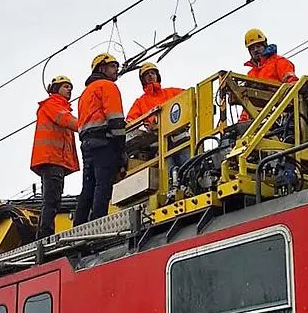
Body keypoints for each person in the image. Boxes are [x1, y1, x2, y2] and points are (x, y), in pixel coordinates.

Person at [73, 53, 126, 226]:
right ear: (102, 68)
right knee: (103, 185)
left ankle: (79, 224)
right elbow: (116, 119)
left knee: (88, 187)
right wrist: (120, 150)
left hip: (87, 144)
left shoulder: (85, 94)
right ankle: (97, 223)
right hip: (105, 142)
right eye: (113, 66)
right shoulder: (107, 86)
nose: (116, 70)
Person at [30, 75, 79, 240]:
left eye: (70, 87)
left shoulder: (59, 107)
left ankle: (45, 235)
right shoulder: (52, 105)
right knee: (51, 201)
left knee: (53, 200)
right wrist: (88, 126)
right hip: (51, 160)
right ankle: (44, 237)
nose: (69, 90)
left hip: (55, 161)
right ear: (56, 88)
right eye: (66, 86)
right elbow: (66, 120)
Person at [127, 62, 189, 180]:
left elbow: (190, 97)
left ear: (157, 76)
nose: (150, 76)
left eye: (152, 73)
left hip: (180, 139)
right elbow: (130, 121)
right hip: (159, 146)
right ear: (143, 79)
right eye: (147, 74)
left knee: (190, 168)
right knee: (169, 175)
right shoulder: (140, 102)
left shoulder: (171, 92)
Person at [239, 28, 298, 122]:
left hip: (278, 112)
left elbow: (292, 84)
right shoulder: (251, 74)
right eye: (252, 48)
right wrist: (242, 122)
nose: (255, 50)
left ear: (264, 45)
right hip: (259, 117)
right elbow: (248, 102)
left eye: (258, 46)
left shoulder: (279, 62)